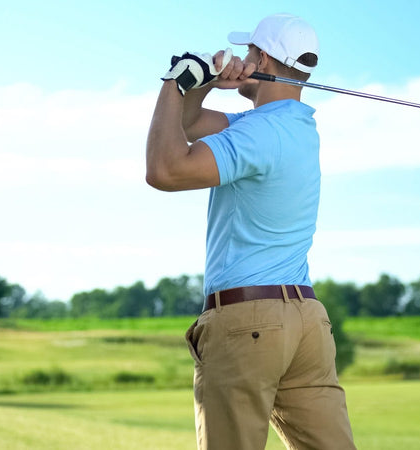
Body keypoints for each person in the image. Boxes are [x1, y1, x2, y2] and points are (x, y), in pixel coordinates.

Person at [146, 13, 356, 450]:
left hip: (248, 322)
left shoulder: (257, 134)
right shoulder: (293, 127)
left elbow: (165, 169)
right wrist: (199, 85)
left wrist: (172, 82)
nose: (241, 59)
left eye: (248, 52)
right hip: (307, 325)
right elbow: (188, 125)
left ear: (261, 59)